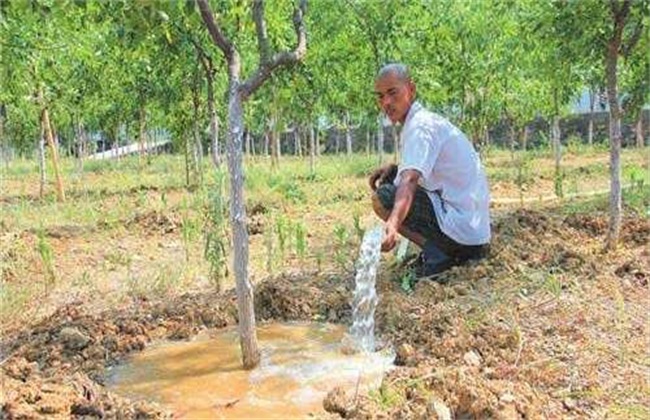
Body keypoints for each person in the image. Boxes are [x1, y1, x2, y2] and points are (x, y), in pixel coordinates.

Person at [369, 63, 491, 277]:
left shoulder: (420, 127)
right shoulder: (422, 122)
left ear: (412, 90)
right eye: (380, 96)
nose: (386, 102)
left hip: (464, 235)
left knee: (384, 197)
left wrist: (393, 224)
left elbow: (410, 181)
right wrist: (396, 169)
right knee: (391, 182)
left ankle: (440, 255)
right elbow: (420, 171)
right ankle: (441, 249)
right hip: (474, 233)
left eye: (392, 93)